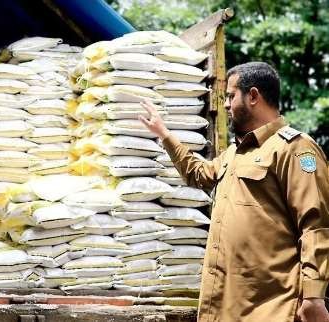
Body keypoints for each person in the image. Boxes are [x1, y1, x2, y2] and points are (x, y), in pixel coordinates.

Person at [139, 62, 329, 322]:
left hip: (271, 308)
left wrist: (313, 297)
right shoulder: (235, 153)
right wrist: (164, 134)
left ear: (253, 96)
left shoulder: (295, 149)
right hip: (228, 306)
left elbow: (315, 226)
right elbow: (199, 173)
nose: (226, 105)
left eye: (230, 96)